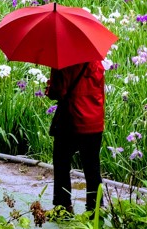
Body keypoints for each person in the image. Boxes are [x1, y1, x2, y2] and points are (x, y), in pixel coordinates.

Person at [45, 60, 105, 215]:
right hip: (94, 122)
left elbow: (57, 92)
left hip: (71, 120)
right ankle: (95, 209)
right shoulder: (97, 64)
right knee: (92, 167)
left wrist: (49, 88)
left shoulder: (62, 63)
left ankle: (63, 207)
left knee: (61, 163)